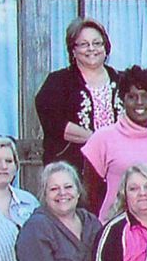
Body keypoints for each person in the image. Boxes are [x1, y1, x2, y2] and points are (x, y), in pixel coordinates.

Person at [35, 16, 120, 211]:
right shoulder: (58, 82)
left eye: (97, 43)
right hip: (75, 170)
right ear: (73, 50)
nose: (92, 49)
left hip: (116, 170)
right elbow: (55, 124)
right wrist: (100, 141)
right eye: (84, 44)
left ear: (106, 47)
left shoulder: (123, 80)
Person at [80, 66, 147, 219]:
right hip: (114, 225)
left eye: (146, 96)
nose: (140, 103)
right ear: (123, 99)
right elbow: (90, 194)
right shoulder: (102, 138)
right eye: (132, 97)